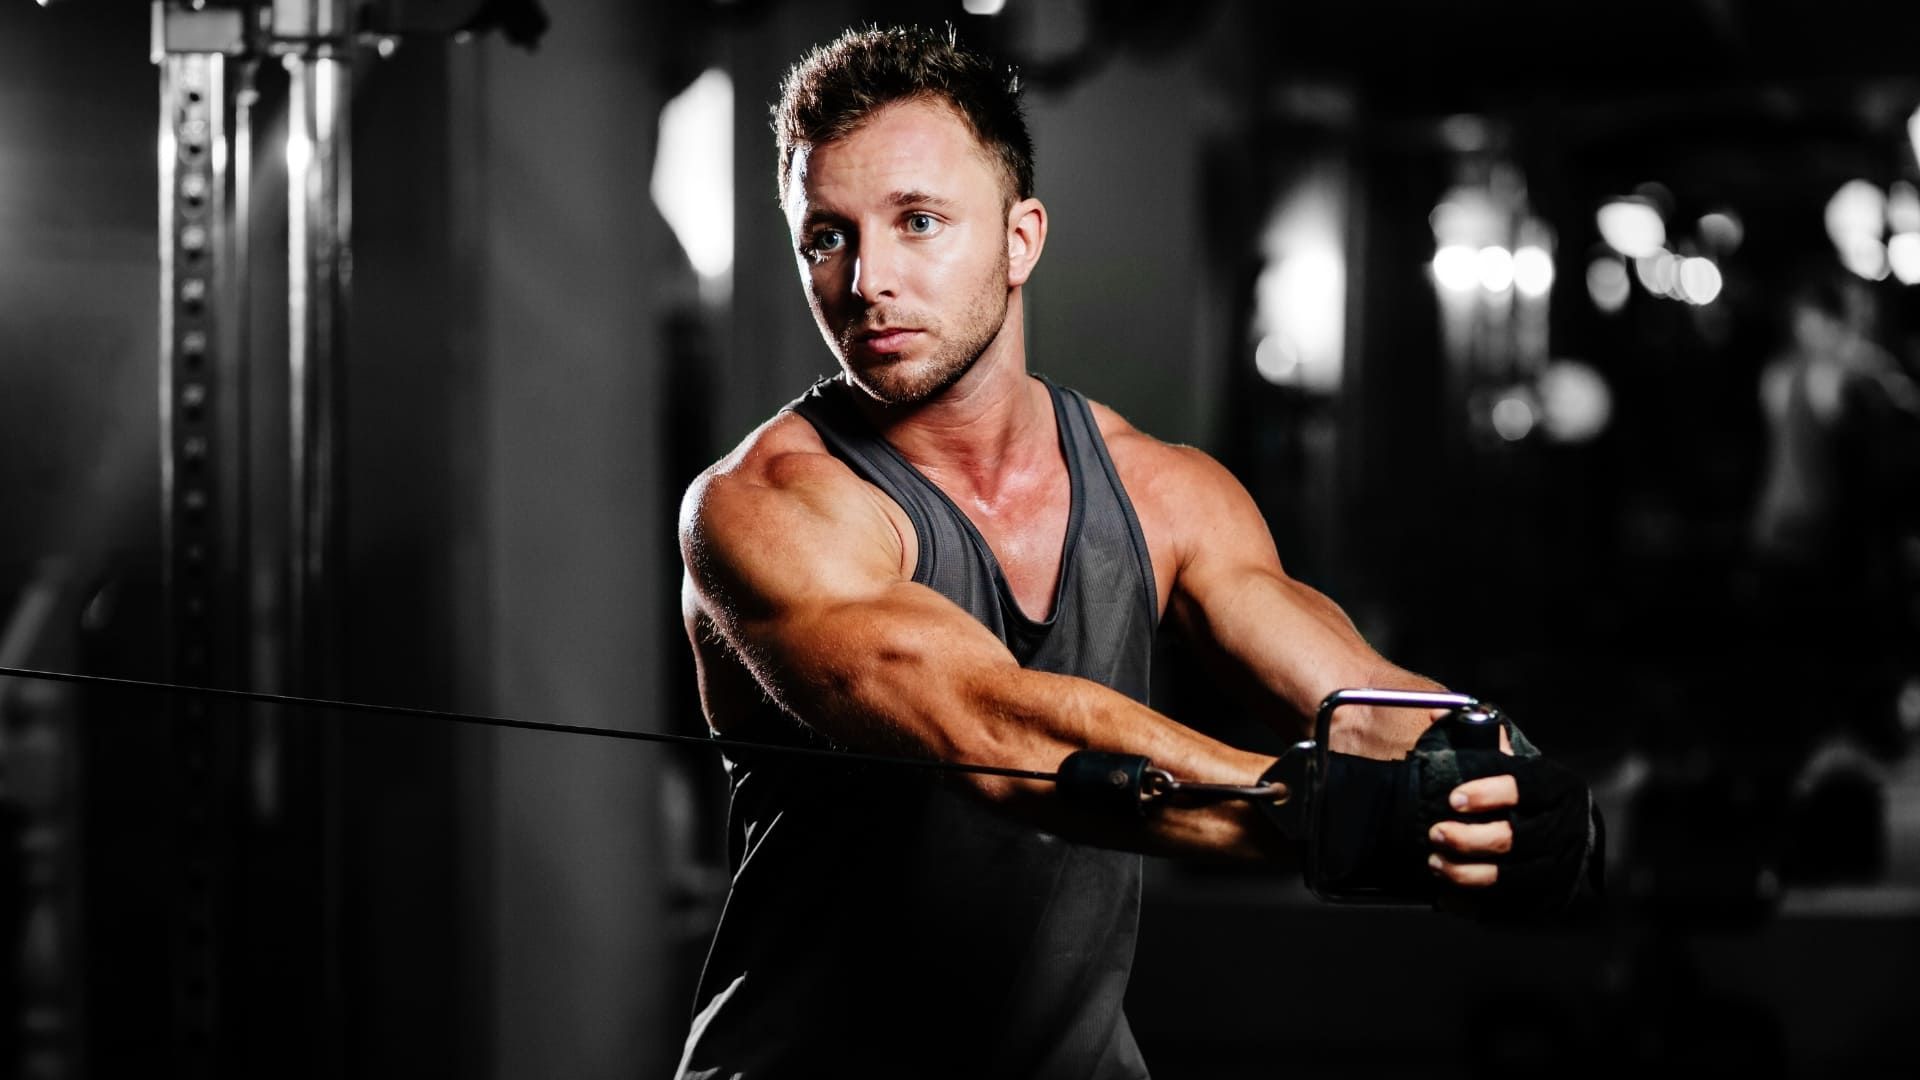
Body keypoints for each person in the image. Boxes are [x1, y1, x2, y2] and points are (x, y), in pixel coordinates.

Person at [674, 25, 1593, 1078]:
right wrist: (1311, 816)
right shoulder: (763, 508)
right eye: (826, 238)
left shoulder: (1163, 491)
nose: (867, 278)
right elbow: (1000, 735)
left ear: (1021, 240)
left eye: (918, 222)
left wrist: (1506, 783)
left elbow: (1363, 704)